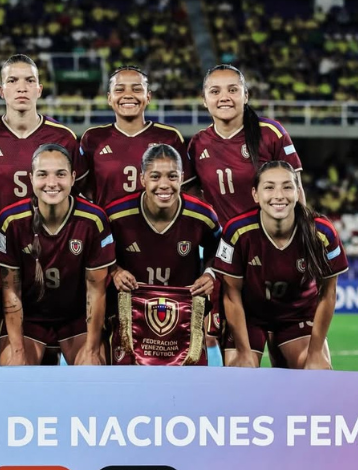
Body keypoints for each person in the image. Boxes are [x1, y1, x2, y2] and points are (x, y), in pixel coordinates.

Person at [0, 54, 86, 364]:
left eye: (28, 80)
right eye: (12, 81)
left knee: (49, 357)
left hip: (51, 260)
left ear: (40, 89)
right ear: (2, 91)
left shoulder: (63, 138)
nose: (21, 87)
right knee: (3, 357)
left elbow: (78, 198)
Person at [187, 64, 305, 365]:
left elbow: (297, 194)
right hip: (232, 266)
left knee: (297, 370)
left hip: (279, 257)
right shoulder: (198, 145)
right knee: (240, 370)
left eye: (232, 89)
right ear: (204, 99)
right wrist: (207, 264)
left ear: (245, 94)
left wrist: (302, 245)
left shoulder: (270, 133)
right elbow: (194, 208)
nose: (224, 97)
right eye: (215, 91)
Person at [213, 161, 348, 369]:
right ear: (255, 194)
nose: (279, 195)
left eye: (287, 187)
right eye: (269, 187)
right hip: (249, 315)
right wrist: (243, 351)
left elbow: (328, 292)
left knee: (318, 371)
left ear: (297, 191)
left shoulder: (321, 232)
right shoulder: (237, 231)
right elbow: (231, 293)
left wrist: (315, 352)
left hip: (297, 315)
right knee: (240, 373)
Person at [0, 143, 114, 366]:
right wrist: (18, 350)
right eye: (42, 174)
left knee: (92, 371)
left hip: (76, 318)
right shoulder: (10, 220)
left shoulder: (93, 220)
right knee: (15, 371)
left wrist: (92, 349)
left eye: (60, 174)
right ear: (31, 178)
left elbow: (95, 290)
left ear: (73, 177)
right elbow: (11, 290)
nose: (52, 183)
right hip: (29, 319)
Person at [105, 144, 220, 365]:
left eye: (172, 176)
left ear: (182, 178)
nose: (164, 185)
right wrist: (115, 270)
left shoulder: (203, 215)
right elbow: (95, 254)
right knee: (129, 388)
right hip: (132, 318)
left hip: (183, 319)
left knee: (187, 390)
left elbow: (221, 251)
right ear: (143, 179)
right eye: (155, 176)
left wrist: (210, 274)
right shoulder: (115, 215)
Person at [80, 66, 193, 207]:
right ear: (109, 98)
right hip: (108, 227)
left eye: (137, 89)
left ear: (148, 97)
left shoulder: (169, 136)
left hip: (156, 227)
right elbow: (83, 189)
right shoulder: (92, 138)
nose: (128, 95)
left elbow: (187, 187)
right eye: (120, 89)